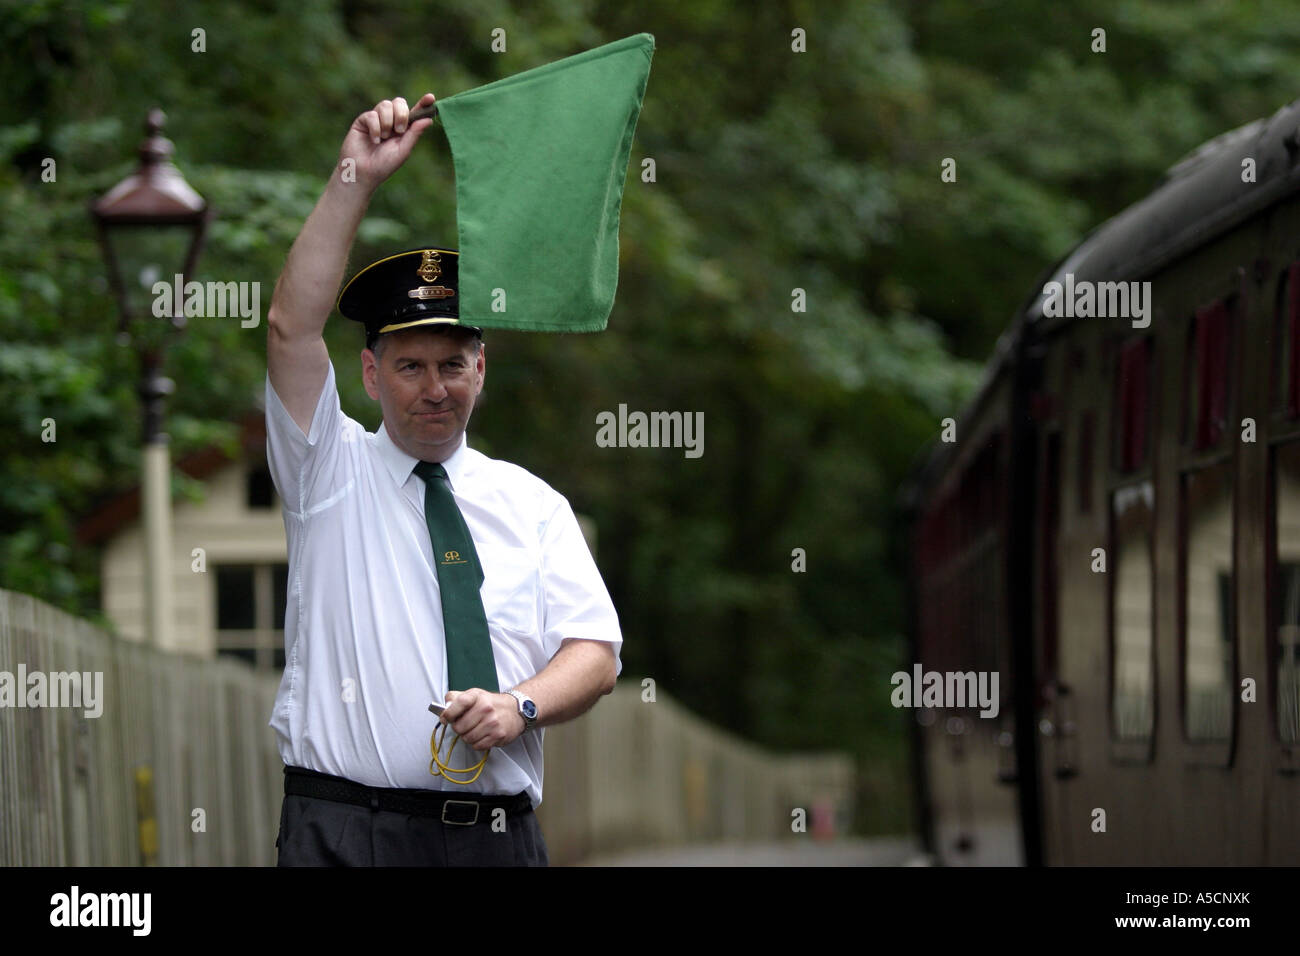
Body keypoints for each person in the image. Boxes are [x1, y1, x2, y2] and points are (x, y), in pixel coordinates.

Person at [264, 92, 622, 866]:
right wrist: (355, 174)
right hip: (343, 833)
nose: (435, 387)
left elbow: (595, 651)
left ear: (481, 369)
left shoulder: (532, 504)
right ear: (368, 372)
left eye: (453, 364)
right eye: (411, 366)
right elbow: (292, 326)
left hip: (493, 841)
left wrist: (519, 706)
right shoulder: (328, 470)